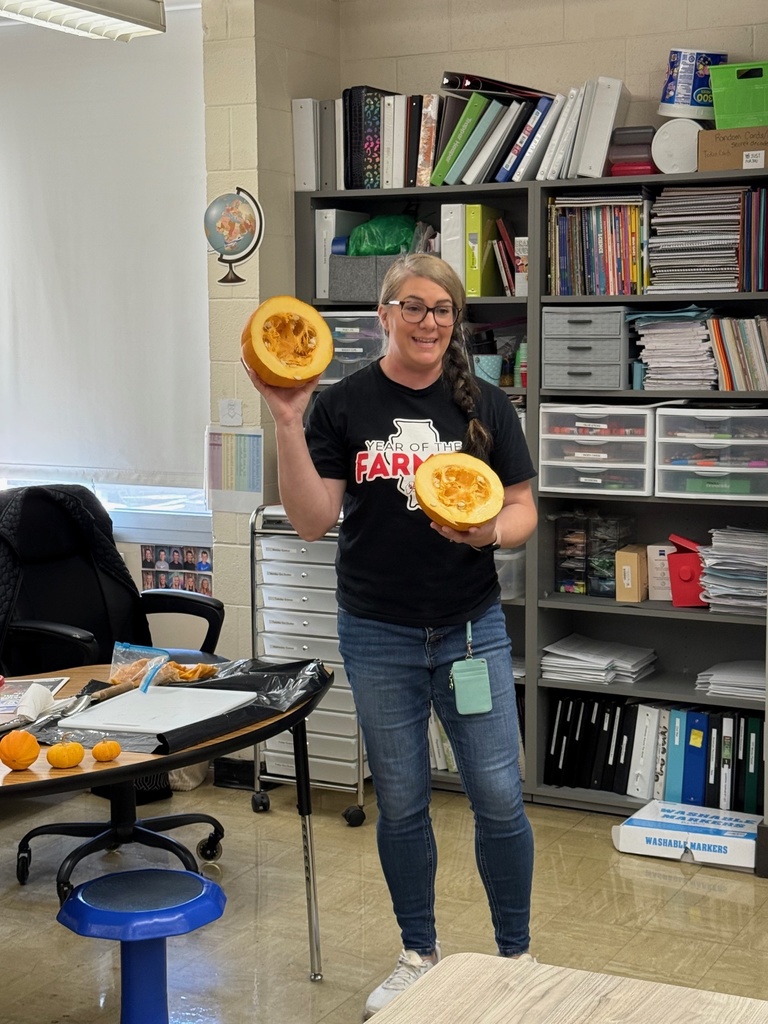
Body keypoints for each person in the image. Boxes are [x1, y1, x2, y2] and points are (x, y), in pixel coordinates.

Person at [243, 253, 537, 1018]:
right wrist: (286, 419)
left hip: (472, 630)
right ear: (383, 315)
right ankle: (419, 953)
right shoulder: (341, 405)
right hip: (378, 634)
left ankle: (517, 955)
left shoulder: (488, 404)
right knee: (402, 803)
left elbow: (523, 510)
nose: (429, 322)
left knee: (501, 798)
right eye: (413, 307)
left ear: (455, 320)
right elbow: (312, 521)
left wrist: (487, 536)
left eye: (442, 309)